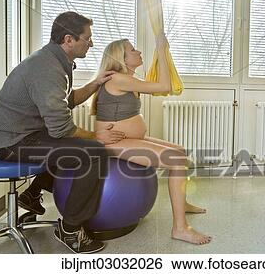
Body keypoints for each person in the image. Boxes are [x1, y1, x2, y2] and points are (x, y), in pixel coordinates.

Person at [0, 11, 125, 254]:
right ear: (68, 40)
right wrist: (96, 137)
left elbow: (67, 100)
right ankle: (70, 230)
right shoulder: (47, 68)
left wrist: (95, 83)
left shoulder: (54, 61)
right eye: (87, 39)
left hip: (25, 135)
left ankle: (32, 193)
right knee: (92, 152)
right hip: (12, 142)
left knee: (67, 147)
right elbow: (61, 128)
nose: (91, 44)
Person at [90, 34, 212, 245]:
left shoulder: (124, 79)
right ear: (121, 58)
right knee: (176, 160)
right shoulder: (118, 78)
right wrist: (162, 51)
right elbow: (164, 86)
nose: (138, 52)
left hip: (126, 139)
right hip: (114, 143)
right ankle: (180, 228)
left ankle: (182, 202)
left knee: (180, 151)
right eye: (132, 50)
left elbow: (159, 85)